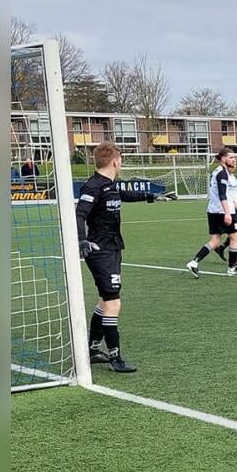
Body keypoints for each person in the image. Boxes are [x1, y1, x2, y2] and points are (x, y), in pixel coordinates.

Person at [75, 142, 168, 373]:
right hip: (100, 251)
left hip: (113, 248)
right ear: (115, 161)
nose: (121, 164)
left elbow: (124, 194)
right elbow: (80, 214)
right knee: (113, 303)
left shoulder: (110, 184)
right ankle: (116, 358)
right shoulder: (93, 186)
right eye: (121, 160)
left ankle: (94, 349)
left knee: (105, 301)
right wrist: (82, 240)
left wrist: (152, 196)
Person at [186, 148, 237, 277]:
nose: (234, 159)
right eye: (231, 157)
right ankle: (231, 269)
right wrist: (227, 213)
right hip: (222, 211)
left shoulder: (220, 172)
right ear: (223, 158)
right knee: (235, 237)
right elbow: (222, 195)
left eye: (234, 157)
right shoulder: (222, 173)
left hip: (213, 210)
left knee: (215, 241)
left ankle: (194, 263)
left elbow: (227, 195)